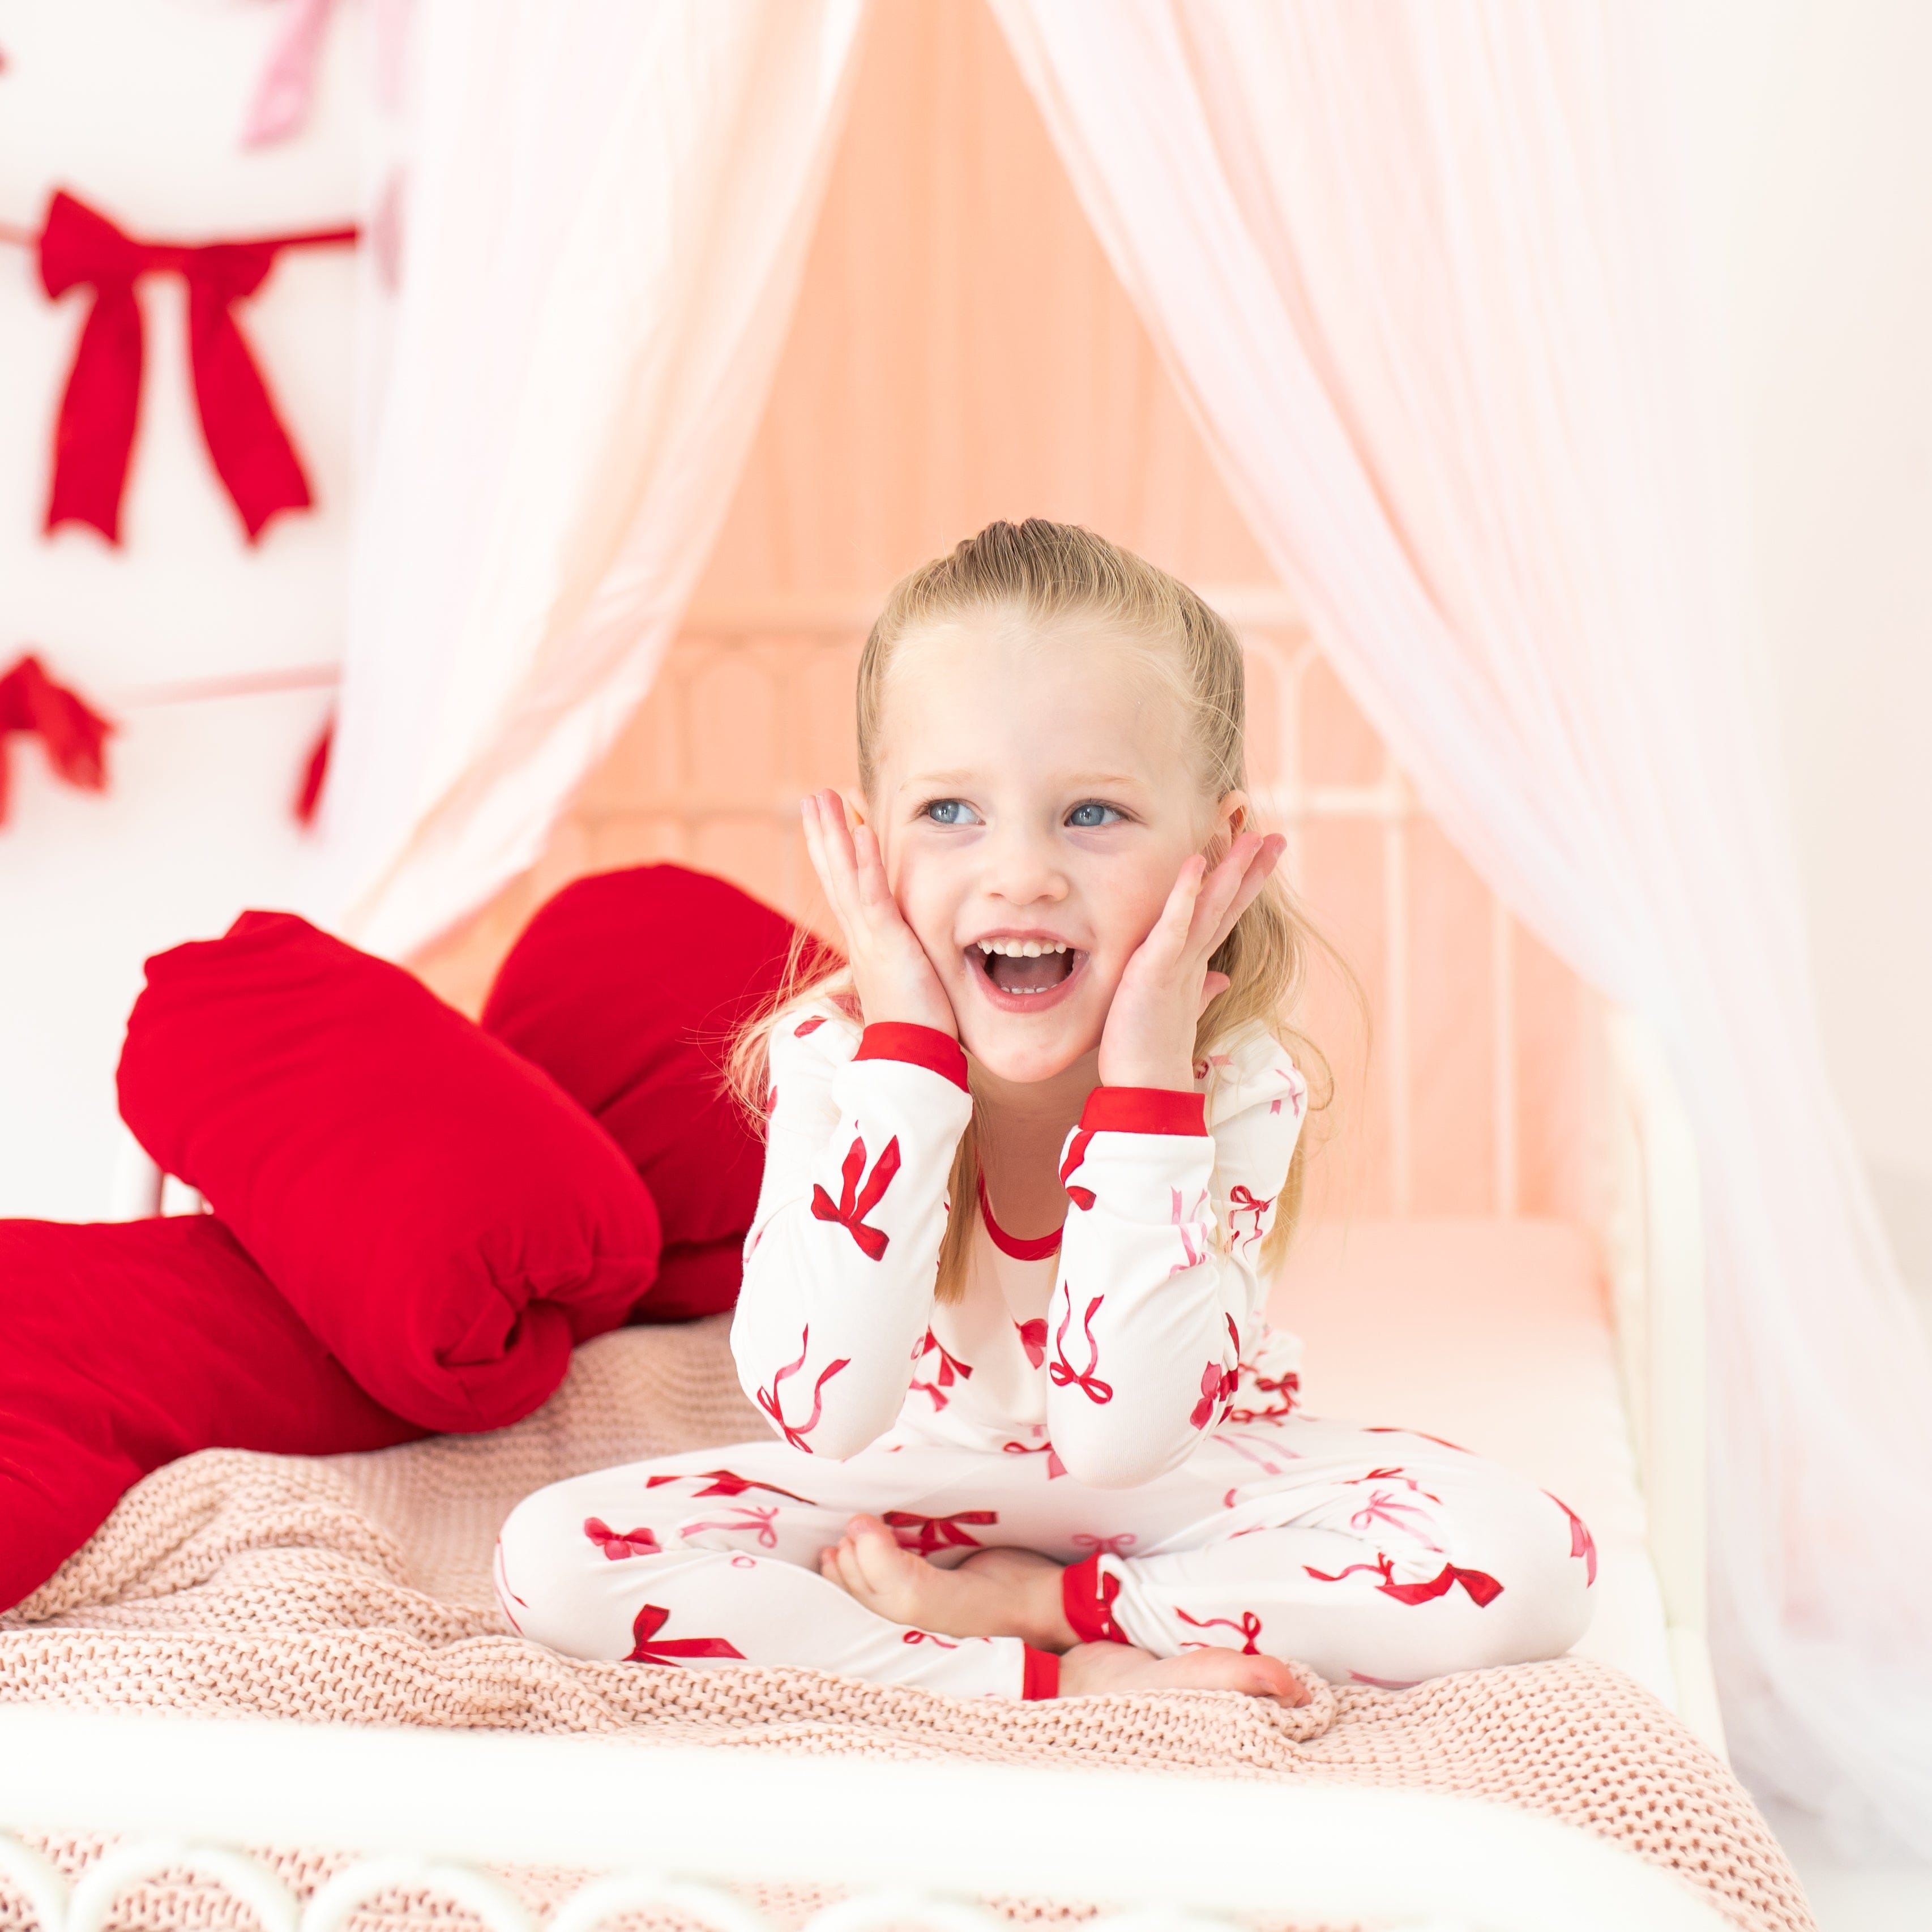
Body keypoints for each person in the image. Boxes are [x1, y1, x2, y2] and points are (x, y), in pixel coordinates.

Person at [494, 520, 1594, 1702]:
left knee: (1531, 1561)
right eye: (950, 812)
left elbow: (1124, 1437)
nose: (1019, 871)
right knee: (550, 1561)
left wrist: (1145, 1084)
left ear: (1212, 853)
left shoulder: (1234, 1075)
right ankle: (1025, 1681)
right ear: (873, 845)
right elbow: (826, 1411)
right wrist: (906, 1059)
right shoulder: (830, 1055)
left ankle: (1045, 1614)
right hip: (901, 1490)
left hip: (1174, 1497)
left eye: (1090, 814)